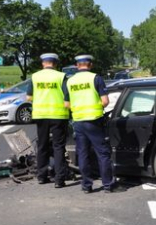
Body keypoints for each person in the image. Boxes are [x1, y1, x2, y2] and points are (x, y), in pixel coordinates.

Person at [63, 54, 116, 193]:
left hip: (78, 122)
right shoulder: (96, 78)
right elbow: (105, 101)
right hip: (94, 121)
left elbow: (66, 104)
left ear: (77, 66)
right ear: (90, 65)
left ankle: (86, 185)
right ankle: (107, 185)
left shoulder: (70, 81)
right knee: (102, 153)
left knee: (83, 153)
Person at [26, 53, 70, 188]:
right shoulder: (61, 76)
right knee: (58, 147)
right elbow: (67, 96)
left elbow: (28, 97)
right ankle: (59, 180)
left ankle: (42, 176)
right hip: (58, 115)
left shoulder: (35, 77)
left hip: (41, 115)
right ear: (55, 63)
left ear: (42, 63)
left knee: (42, 145)